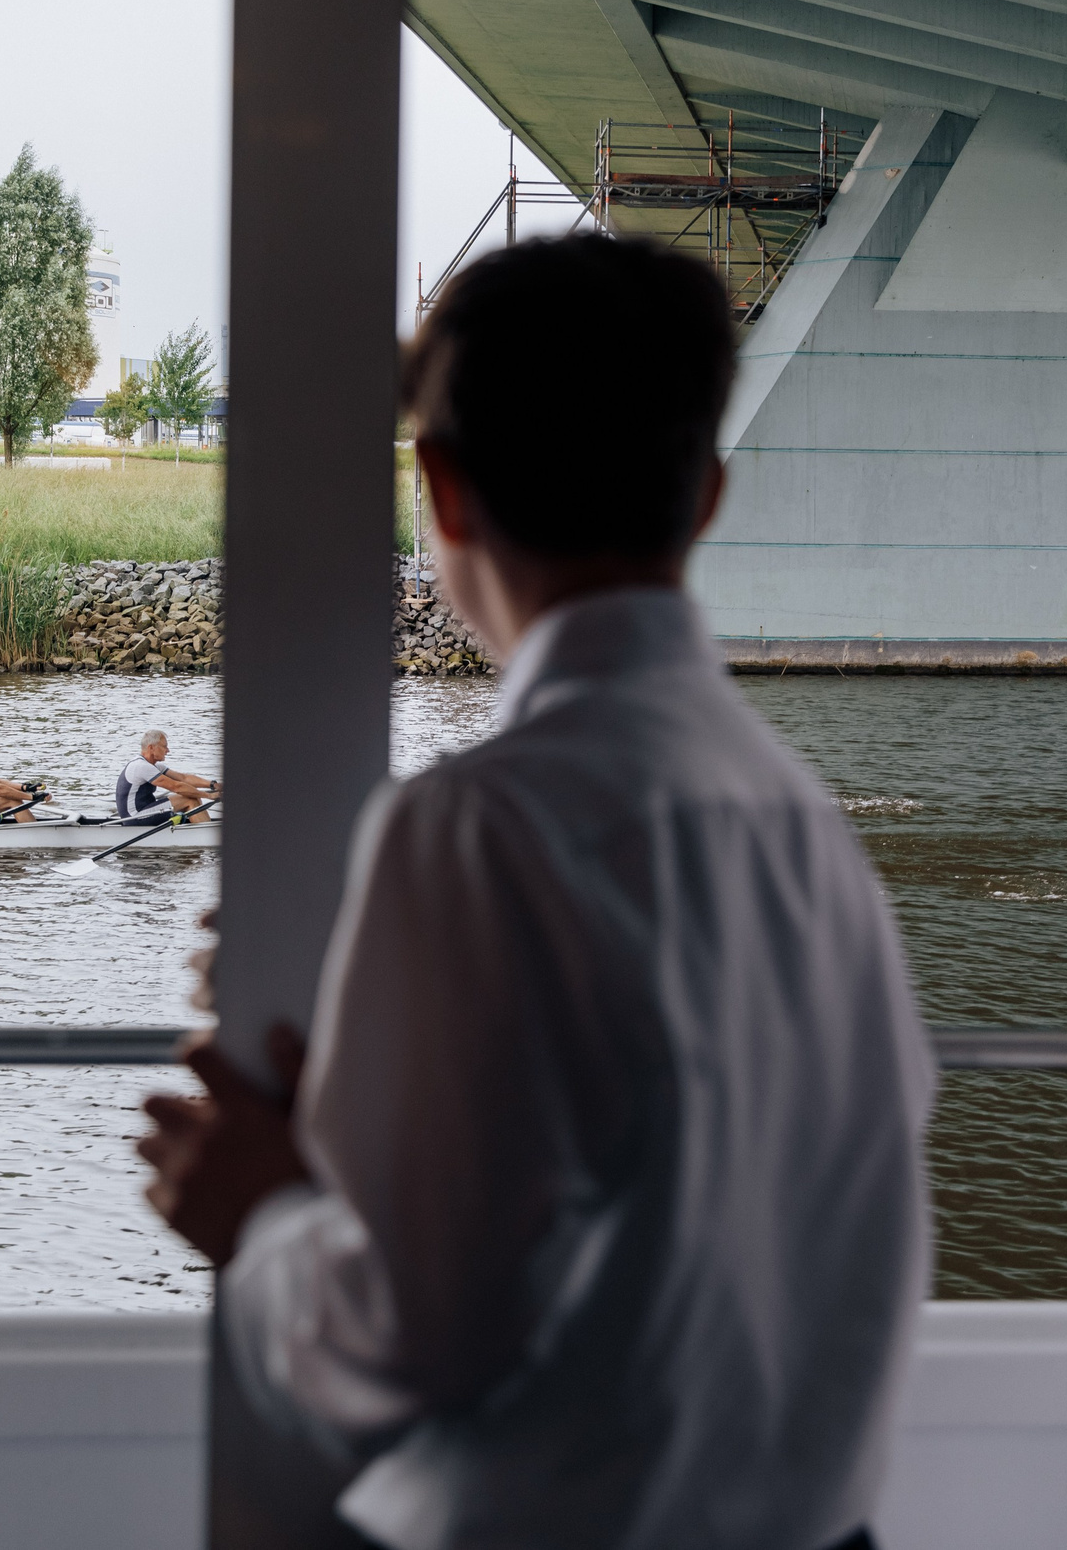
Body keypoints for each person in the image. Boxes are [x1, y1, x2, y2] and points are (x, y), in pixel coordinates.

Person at [133, 234, 935, 1550]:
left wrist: (260, 1210)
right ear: (710, 497)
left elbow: (403, 1340)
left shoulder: (475, 825)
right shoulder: (801, 820)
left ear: (443, 490)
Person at [114, 730, 215, 821]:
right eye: (164, 746)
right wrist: (209, 795)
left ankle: (198, 825)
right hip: (134, 817)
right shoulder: (141, 766)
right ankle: (206, 835)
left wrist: (213, 785)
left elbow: (184, 778)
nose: (168, 750)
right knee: (189, 799)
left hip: (144, 810)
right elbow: (177, 787)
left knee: (192, 795)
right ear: (151, 748)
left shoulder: (155, 766)